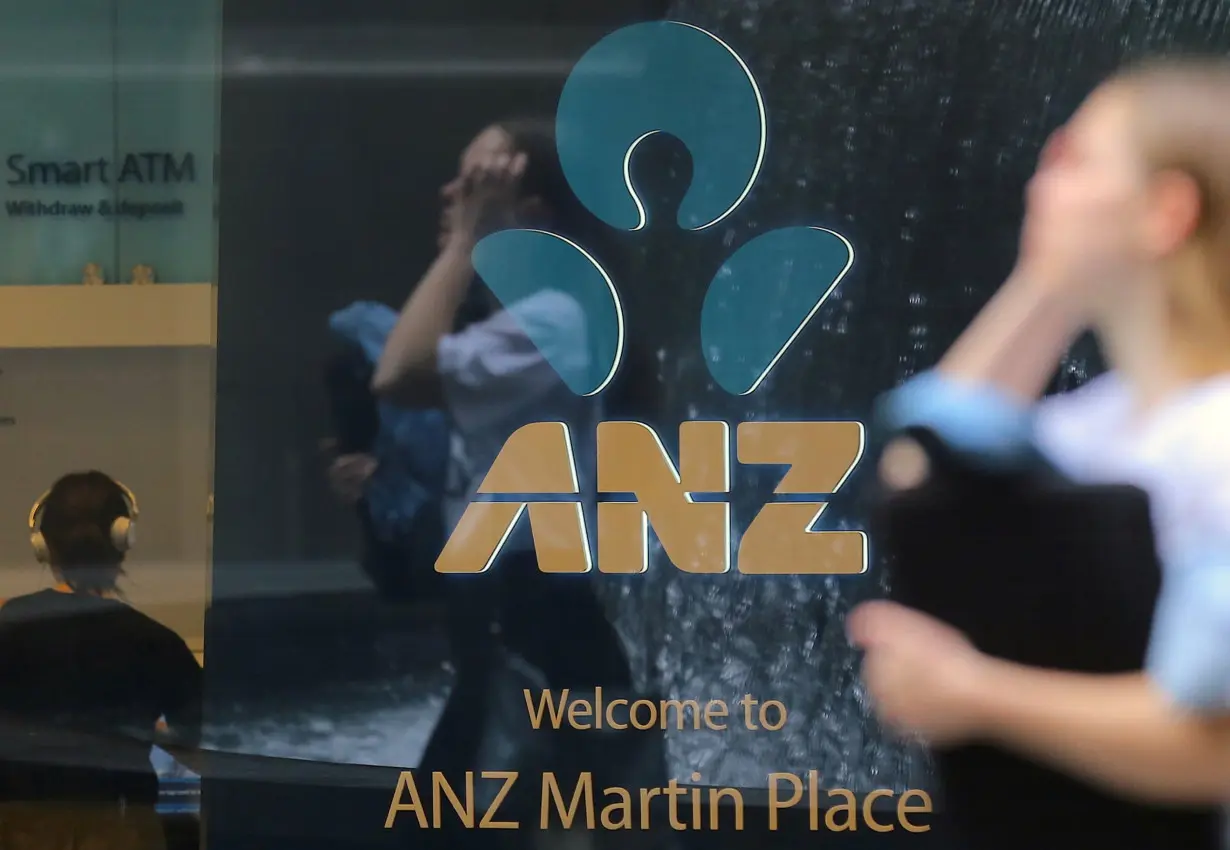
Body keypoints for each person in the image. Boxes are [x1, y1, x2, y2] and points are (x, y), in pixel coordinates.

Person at [849, 56, 1230, 805]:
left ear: (1167, 212)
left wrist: (978, 696)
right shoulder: (1111, 420)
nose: (1039, 182)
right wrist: (1046, 283)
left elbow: (1212, 744)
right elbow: (920, 468)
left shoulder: (1213, 439)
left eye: (1075, 161)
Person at [370, 118, 636, 846]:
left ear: (536, 214)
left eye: (482, 183)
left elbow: (400, 373)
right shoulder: (536, 313)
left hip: (539, 624)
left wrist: (463, 245)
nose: (453, 194)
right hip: (516, 620)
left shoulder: (559, 316)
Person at [0, 471, 203, 850]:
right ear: (123, 538)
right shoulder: (156, 641)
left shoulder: (7, 625)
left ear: (42, 544)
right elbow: (204, 743)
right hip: (121, 828)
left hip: (16, 829)